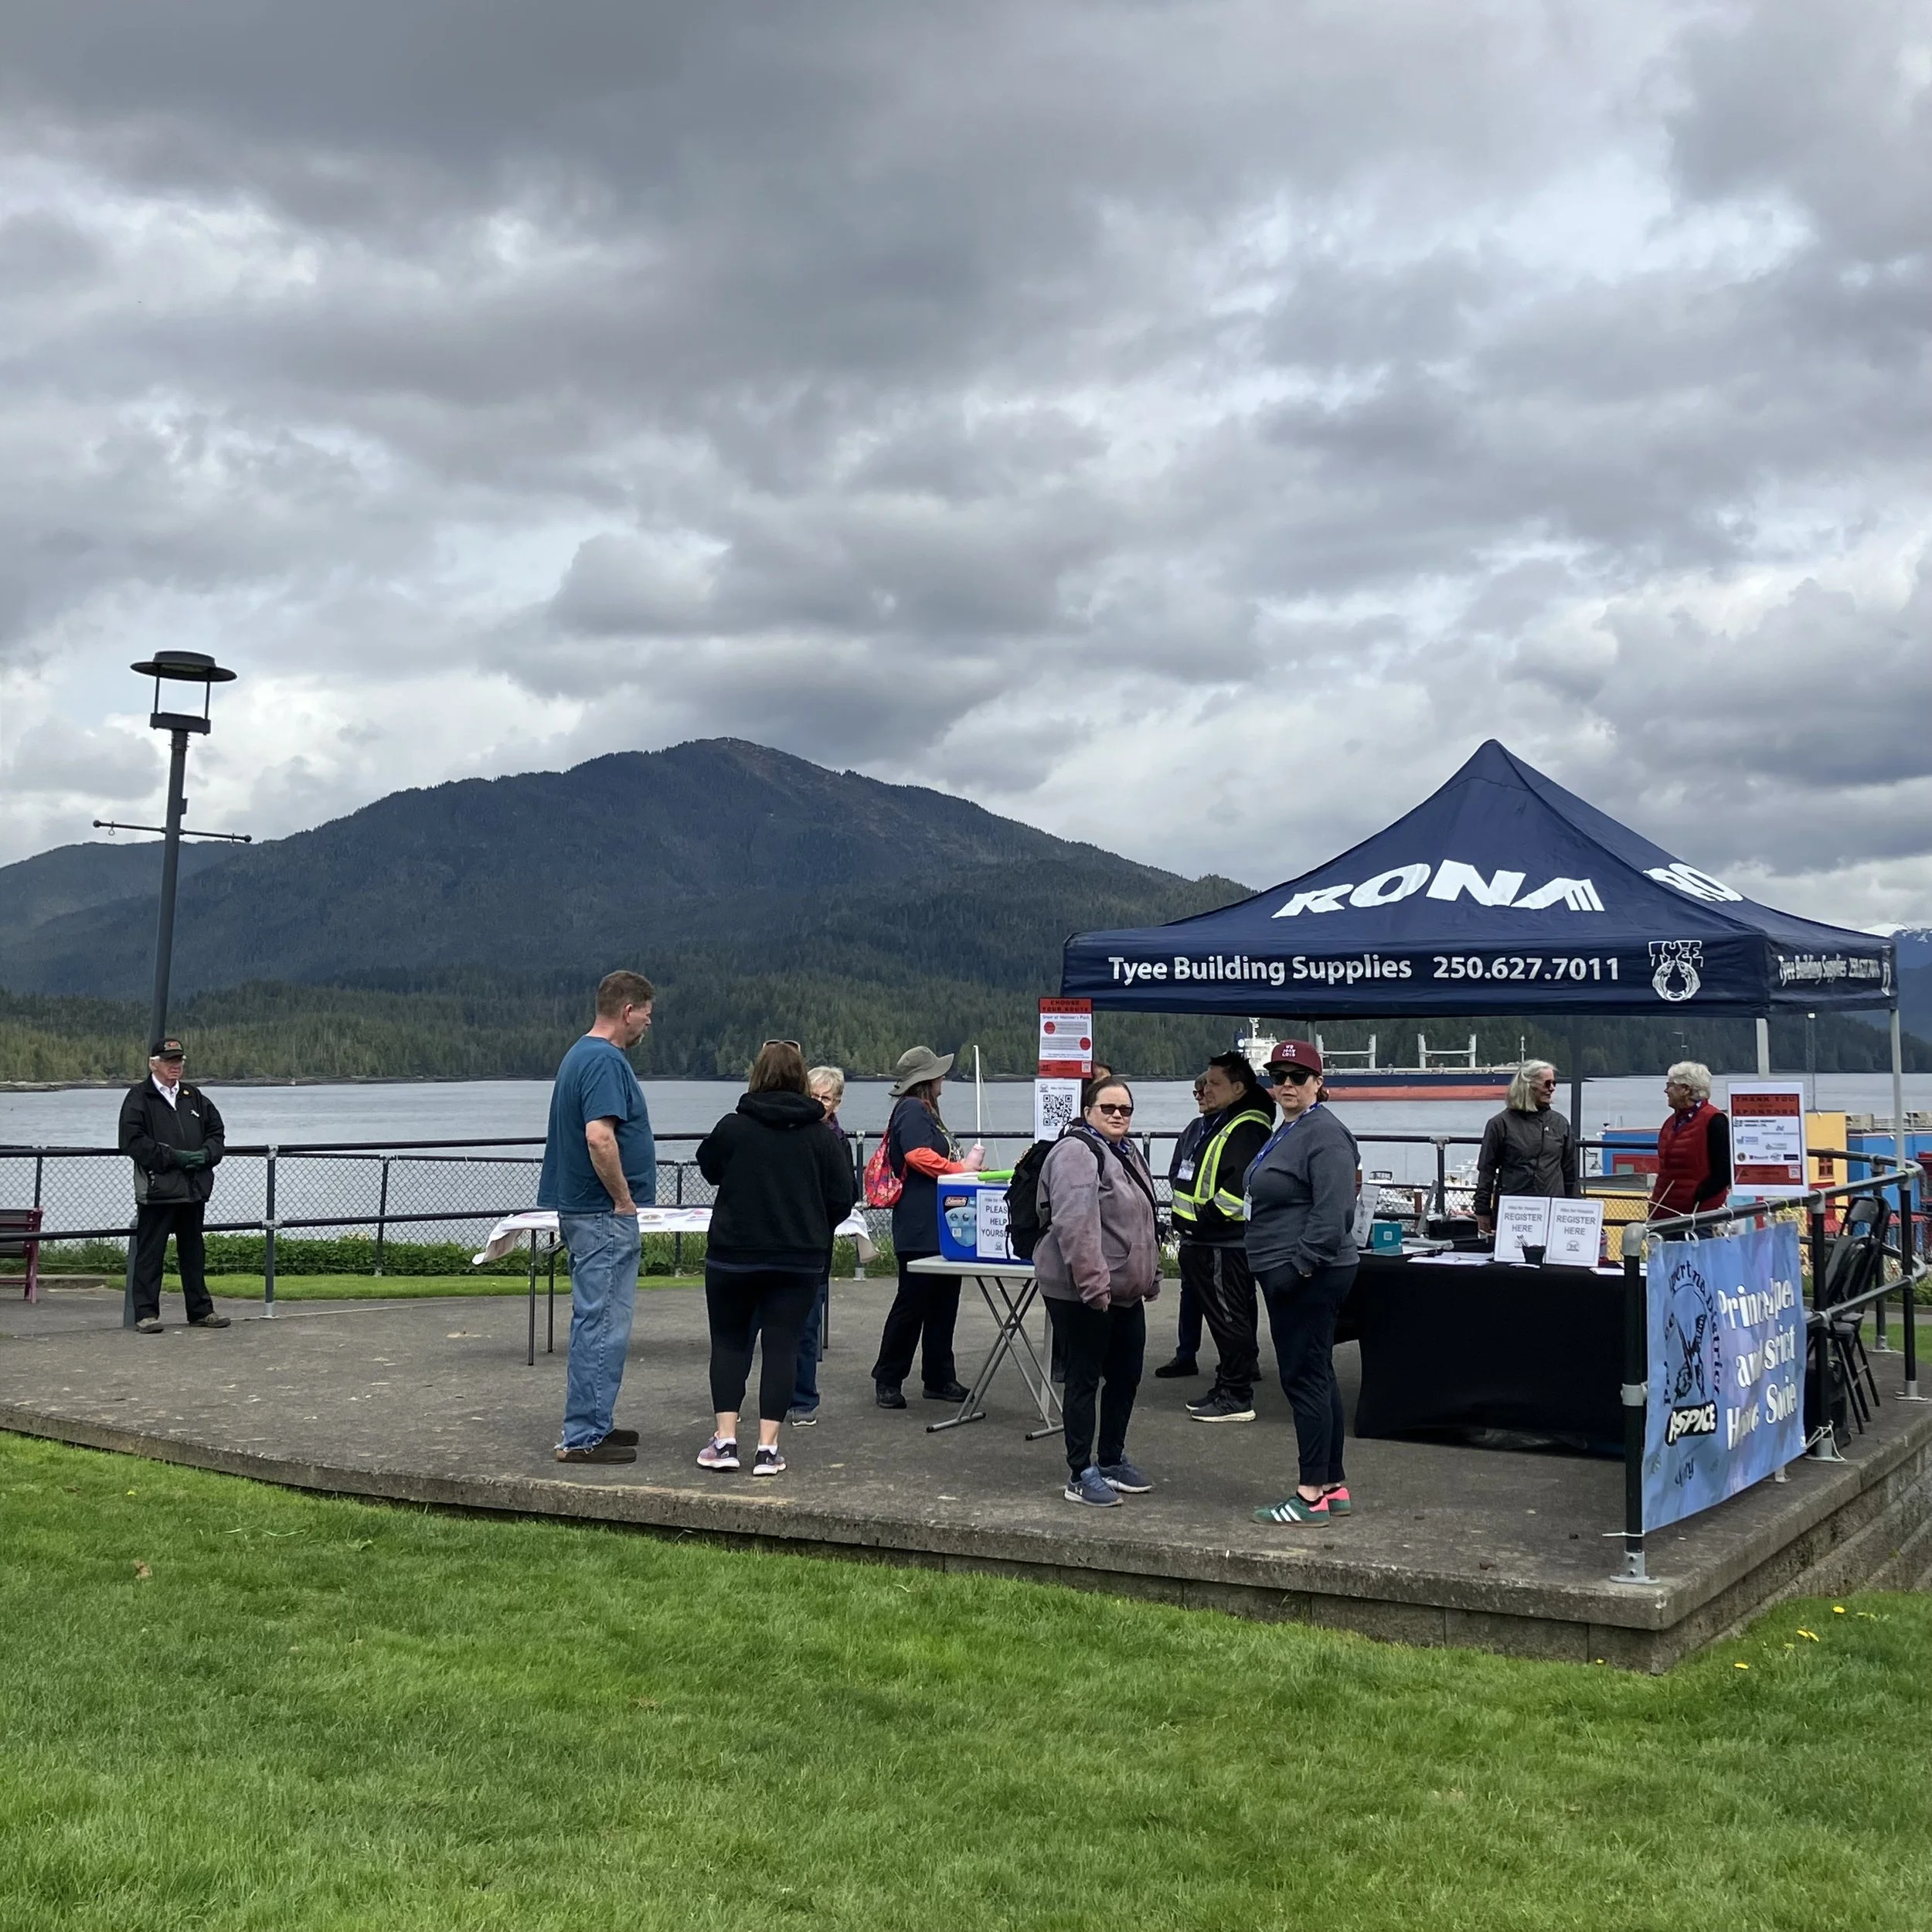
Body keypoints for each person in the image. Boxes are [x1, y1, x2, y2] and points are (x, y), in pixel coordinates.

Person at [695, 1041, 856, 1477]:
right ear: (803, 1080)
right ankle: (769, 1448)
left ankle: (725, 1439)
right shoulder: (821, 1137)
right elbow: (844, 1196)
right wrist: (816, 1227)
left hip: (734, 1255)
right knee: (783, 1346)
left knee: (729, 1343)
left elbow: (708, 1166)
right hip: (798, 1258)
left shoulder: (734, 1127)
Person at [539, 971, 656, 1464]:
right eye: (646, 1016)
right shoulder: (606, 1061)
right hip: (602, 1214)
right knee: (603, 1322)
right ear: (627, 1010)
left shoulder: (578, 1055)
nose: (647, 1027)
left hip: (581, 1210)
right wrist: (624, 1202)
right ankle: (584, 1435)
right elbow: (599, 1136)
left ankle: (595, 1421)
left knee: (594, 1319)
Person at [1245, 1041, 1360, 1526]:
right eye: (1278, 1075)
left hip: (1308, 1274)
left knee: (1303, 1378)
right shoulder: (1290, 1128)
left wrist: (1299, 1268)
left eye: (1298, 1076)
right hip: (1290, 1269)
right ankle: (1332, 1485)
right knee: (1317, 1373)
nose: (1287, 1084)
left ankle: (1309, 1493)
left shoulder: (1325, 1134)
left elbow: (1334, 1213)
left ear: (1318, 1083)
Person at [1033, 1076, 1162, 1505]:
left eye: (1125, 1109)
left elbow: (1145, 1218)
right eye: (1108, 1108)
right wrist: (1093, 1285)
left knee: (1126, 1374)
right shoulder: (1075, 1152)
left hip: (1124, 1290)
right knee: (1084, 1379)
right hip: (1081, 1292)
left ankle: (1111, 1459)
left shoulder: (1125, 1153)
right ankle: (1079, 1471)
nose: (1117, 1116)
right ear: (1088, 1111)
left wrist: (1151, 1273)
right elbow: (1075, 1223)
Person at [869, 1046, 982, 1408]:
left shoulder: (926, 1112)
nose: (943, 1078)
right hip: (921, 1224)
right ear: (927, 1079)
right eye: (939, 1073)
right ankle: (888, 1377)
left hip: (941, 1223)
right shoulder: (913, 1111)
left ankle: (939, 1376)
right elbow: (918, 1156)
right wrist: (960, 1169)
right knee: (913, 1302)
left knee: (944, 1302)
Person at [1170, 1053, 1275, 1421]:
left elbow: (1238, 1188)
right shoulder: (1219, 1122)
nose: (1205, 1090)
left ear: (1238, 1088)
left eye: (1214, 1084)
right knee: (1223, 1318)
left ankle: (1236, 1396)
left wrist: (1204, 1221)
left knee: (1230, 1319)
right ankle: (1227, 1383)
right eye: (1203, 1083)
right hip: (1205, 1240)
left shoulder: (1247, 1127)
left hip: (1221, 1242)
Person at [118, 1035, 230, 1335]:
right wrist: (172, 1157)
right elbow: (132, 1141)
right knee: (150, 1253)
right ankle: (146, 1314)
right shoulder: (139, 1098)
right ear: (153, 1064)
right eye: (169, 1061)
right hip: (157, 1190)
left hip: (192, 1190)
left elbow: (217, 1133)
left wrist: (206, 1155)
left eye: (179, 1060)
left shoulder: (195, 1098)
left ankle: (200, 1310)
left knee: (194, 1253)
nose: (175, 1066)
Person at [781, 1064, 849, 1425]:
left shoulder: (837, 1141)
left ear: (836, 1104)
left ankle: (803, 1399)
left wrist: (820, 1224)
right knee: (767, 1325)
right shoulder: (789, 1131)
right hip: (784, 1240)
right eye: (813, 1096)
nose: (819, 1104)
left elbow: (845, 1196)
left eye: (826, 1098)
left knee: (808, 1328)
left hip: (817, 1244)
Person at [1472, 1060, 1580, 1237]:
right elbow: (1486, 1171)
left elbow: (1570, 1174)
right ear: (1528, 1085)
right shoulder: (1500, 1124)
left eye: (1554, 1083)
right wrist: (1482, 1212)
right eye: (1547, 1083)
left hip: (1553, 1210)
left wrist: (1574, 1210)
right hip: (1514, 1213)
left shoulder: (1560, 1124)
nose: (1552, 1088)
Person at [1153, 1074, 1214, 1379]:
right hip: (1190, 1229)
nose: (1201, 1096)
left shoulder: (1236, 1129)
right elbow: (1176, 1169)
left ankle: (1245, 1360)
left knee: (1234, 1299)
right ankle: (1186, 1355)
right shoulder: (1193, 1129)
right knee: (1190, 1293)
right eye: (1197, 1092)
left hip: (1223, 1231)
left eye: (1206, 1090)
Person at [1648, 1061, 1731, 1221]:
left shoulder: (1715, 1121)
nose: (1666, 1091)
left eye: (1670, 1085)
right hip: (1664, 1212)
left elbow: (1724, 1171)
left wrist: (1697, 1196)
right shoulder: (1670, 1122)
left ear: (1687, 1089)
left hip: (1698, 1216)